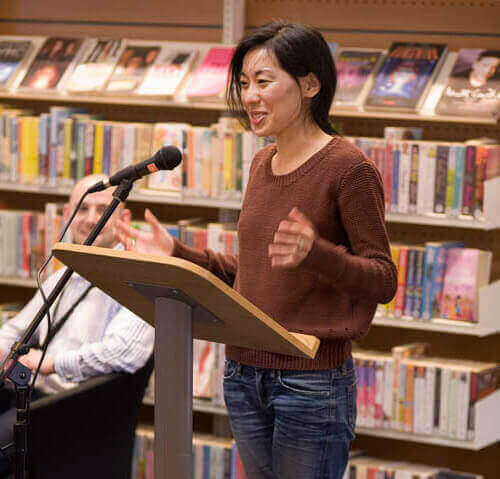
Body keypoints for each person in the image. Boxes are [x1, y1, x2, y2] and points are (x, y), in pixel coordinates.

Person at [117, 21, 397, 479]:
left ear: (310, 84)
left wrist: (318, 254)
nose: (249, 96)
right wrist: (175, 253)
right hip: (244, 375)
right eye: (244, 83)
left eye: (264, 81)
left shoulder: (350, 169)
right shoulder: (262, 162)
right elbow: (250, 272)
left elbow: (383, 279)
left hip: (309, 382)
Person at [0, 174, 154, 465]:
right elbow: (16, 329)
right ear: (67, 215)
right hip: (30, 397)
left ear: (124, 218)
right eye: (82, 209)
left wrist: (51, 363)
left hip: (77, 414)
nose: (90, 219)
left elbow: (125, 352)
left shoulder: (136, 280)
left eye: (103, 209)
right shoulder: (63, 276)